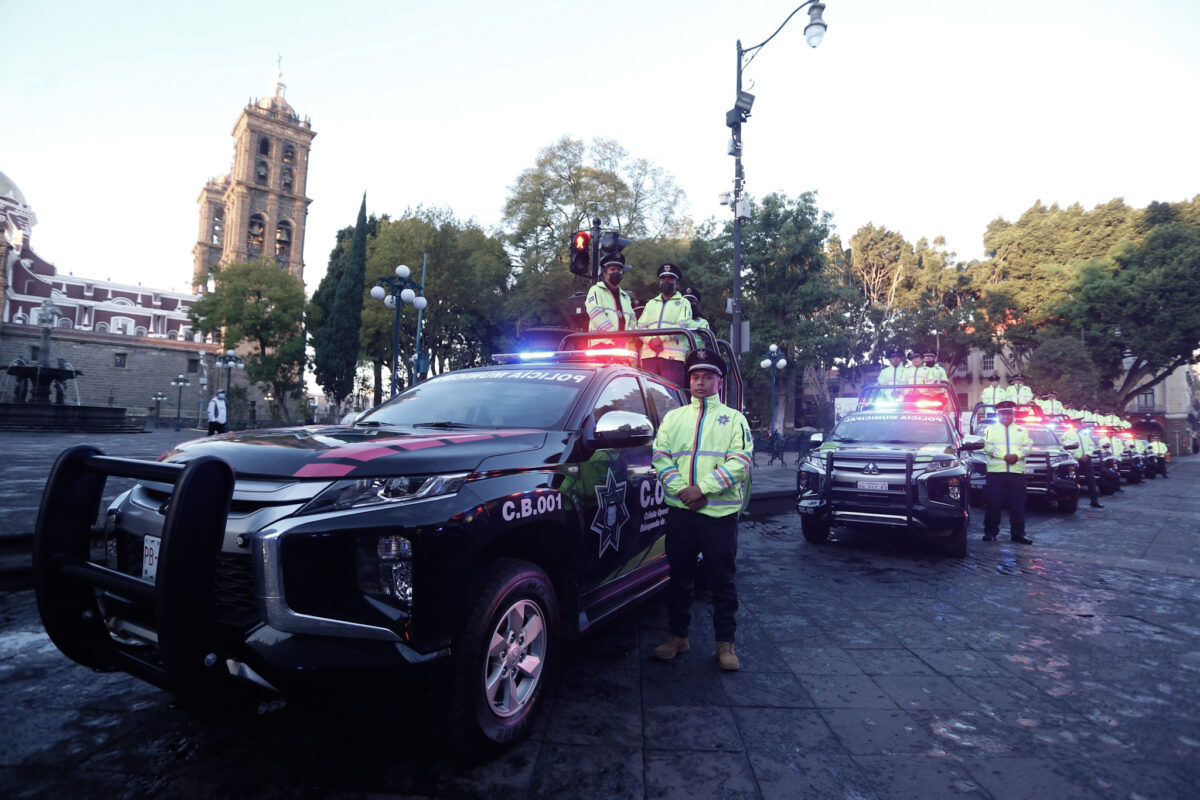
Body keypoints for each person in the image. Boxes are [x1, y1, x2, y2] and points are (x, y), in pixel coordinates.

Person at [651, 348, 753, 671]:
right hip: (681, 512)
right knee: (679, 578)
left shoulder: (734, 419)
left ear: (719, 382)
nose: (700, 382)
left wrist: (702, 490)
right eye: (695, 376)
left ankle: (726, 643)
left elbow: (740, 462)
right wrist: (682, 490)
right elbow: (660, 456)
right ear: (689, 380)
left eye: (707, 377)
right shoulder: (673, 417)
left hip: (718, 516)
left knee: (721, 582)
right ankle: (677, 636)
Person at [981, 400, 1034, 544]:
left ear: (1013, 414)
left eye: (1009, 413)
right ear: (998, 414)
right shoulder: (990, 429)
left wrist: (1016, 455)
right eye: (1003, 414)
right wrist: (1003, 456)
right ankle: (990, 532)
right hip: (995, 473)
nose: (1007, 416)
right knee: (993, 503)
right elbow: (986, 447)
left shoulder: (1022, 430)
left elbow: (1028, 447)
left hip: (1016, 472)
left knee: (1018, 505)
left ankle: (1018, 534)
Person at [637, 263, 692, 386]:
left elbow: (682, 325)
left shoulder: (684, 302)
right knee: (649, 397)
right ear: (659, 283)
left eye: (670, 279)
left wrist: (659, 339)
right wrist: (650, 340)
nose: (666, 282)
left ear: (677, 284)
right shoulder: (651, 303)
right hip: (648, 356)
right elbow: (640, 326)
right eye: (663, 279)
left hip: (672, 358)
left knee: (671, 397)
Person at [584, 256, 637, 349]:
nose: (617, 272)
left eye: (619, 270)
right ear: (604, 274)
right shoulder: (596, 290)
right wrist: (615, 336)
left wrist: (626, 336)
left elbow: (632, 319)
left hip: (623, 347)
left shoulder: (625, 296)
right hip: (601, 345)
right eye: (613, 269)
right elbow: (596, 314)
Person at [1062, 423, 1103, 508]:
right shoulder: (1067, 434)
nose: (1081, 425)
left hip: (1087, 461)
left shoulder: (1085, 434)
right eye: (1079, 423)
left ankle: (1094, 501)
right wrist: (1078, 456)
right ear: (1075, 424)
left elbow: (1092, 445)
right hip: (1073, 462)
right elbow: (1066, 447)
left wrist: (1087, 454)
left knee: (1091, 481)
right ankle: (1072, 503)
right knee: (1073, 480)